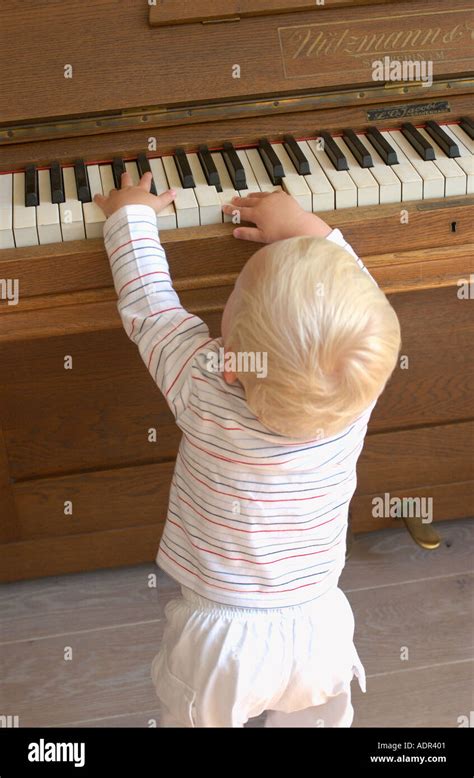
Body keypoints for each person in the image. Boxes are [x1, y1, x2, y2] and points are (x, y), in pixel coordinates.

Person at [94, 171, 401, 727]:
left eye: (237, 293)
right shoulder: (359, 391)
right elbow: (363, 304)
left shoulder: (204, 381)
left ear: (230, 359)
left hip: (221, 641)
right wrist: (309, 231)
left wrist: (131, 218)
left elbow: (152, 309)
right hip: (319, 626)